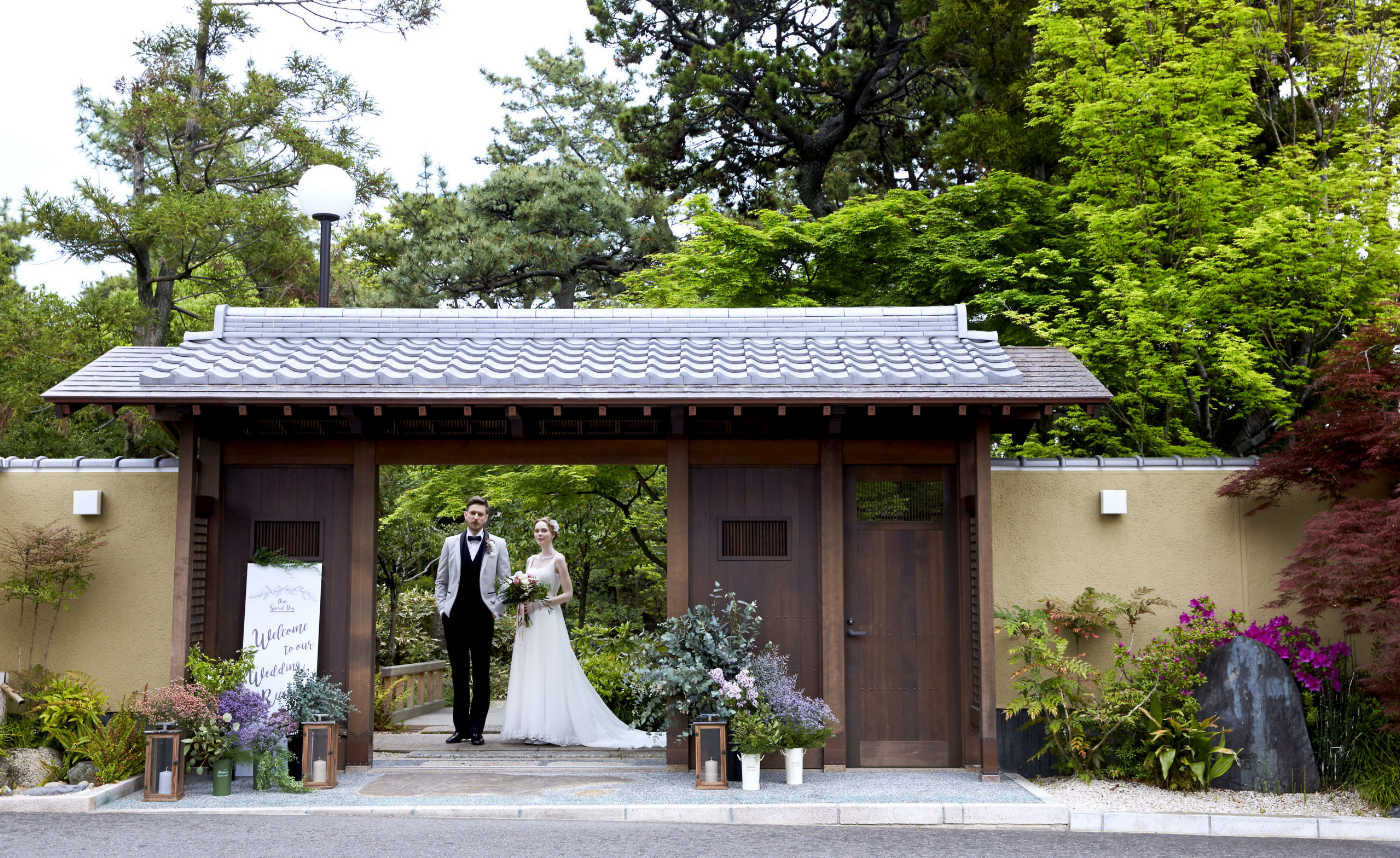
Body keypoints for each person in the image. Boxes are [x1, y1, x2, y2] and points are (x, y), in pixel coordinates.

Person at [499, 516, 662, 748]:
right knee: (533, 669)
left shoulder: (559, 559)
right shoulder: (531, 560)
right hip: (531, 621)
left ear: (553, 533)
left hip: (548, 618)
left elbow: (568, 594)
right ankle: (532, 726)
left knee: (550, 670)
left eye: (544, 530)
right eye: (536, 530)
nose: (539, 534)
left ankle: (550, 730)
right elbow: (527, 590)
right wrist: (523, 603)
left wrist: (541, 603)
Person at [434, 495, 510, 745]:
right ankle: (461, 729)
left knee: (481, 673)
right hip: (454, 616)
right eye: (472, 513)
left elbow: (507, 582)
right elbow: (441, 580)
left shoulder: (498, 543)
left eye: (481, 514)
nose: (476, 517)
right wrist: (442, 608)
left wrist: (495, 610)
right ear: (465, 515)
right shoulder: (450, 543)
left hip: (482, 616)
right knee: (459, 674)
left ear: (486, 518)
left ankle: (477, 729)